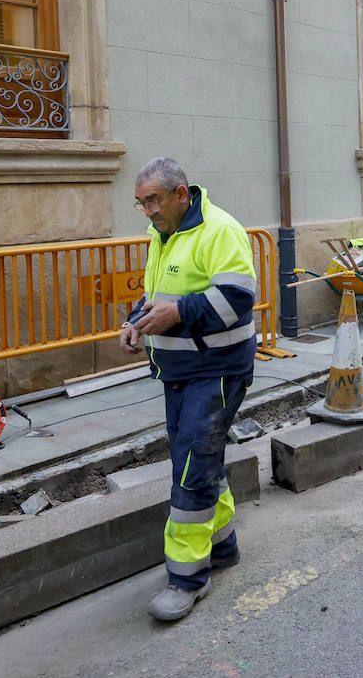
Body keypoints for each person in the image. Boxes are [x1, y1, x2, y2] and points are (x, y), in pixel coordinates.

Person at [119, 158, 256, 622]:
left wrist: (176, 314)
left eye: (153, 200)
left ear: (182, 193)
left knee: (191, 468)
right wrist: (135, 322)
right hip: (179, 372)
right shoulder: (165, 235)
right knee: (198, 460)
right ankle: (223, 546)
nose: (147, 211)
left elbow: (236, 300)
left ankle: (186, 579)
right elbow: (159, 294)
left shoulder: (220, 230)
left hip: (215, 372)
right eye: (140, 203)